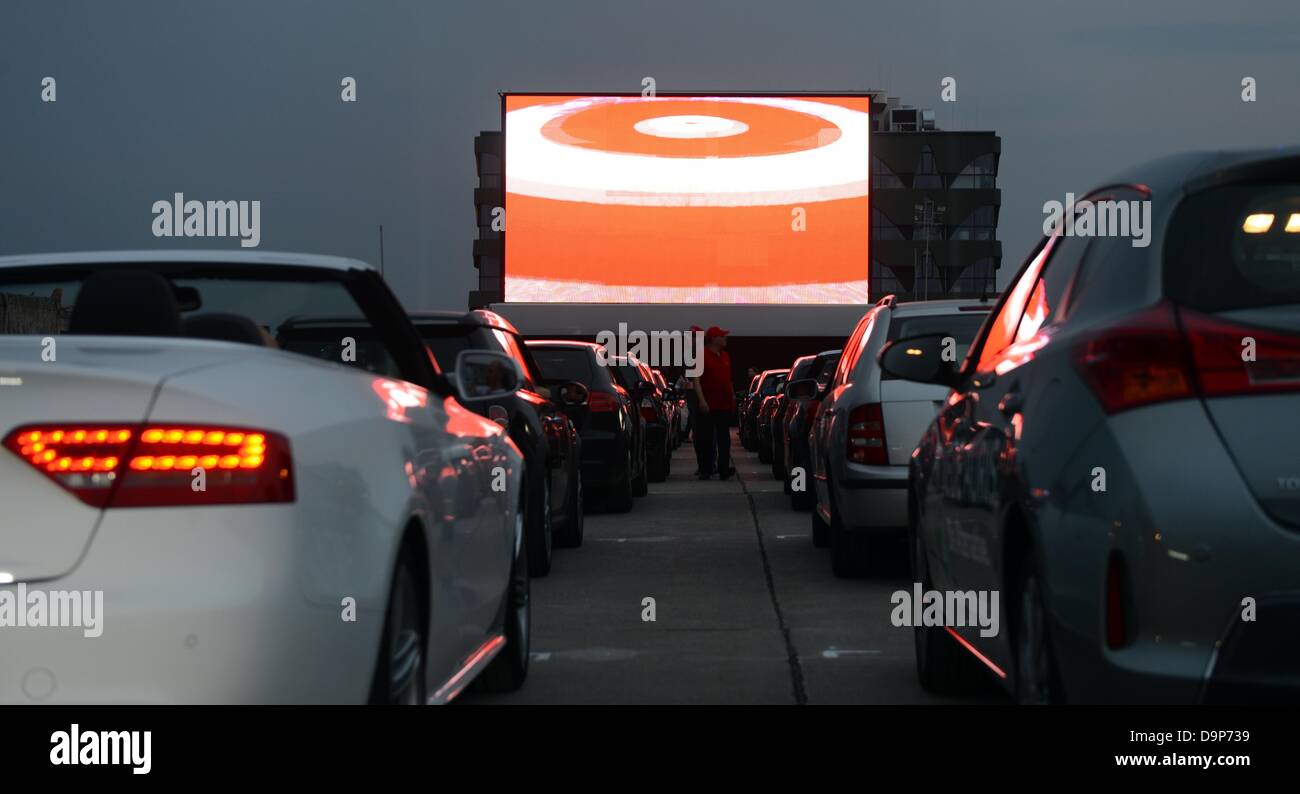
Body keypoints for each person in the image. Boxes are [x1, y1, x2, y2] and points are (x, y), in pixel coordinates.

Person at [693, 326, 736, 480]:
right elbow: (696, 381)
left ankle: (723, 468)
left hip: (724, 405)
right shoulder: (701, 355)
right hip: (708, 405)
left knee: (724, 439)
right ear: (713, 339)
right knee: (706, 438)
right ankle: (706, 469)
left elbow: (728, 380)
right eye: (722, 336)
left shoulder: (725, 356)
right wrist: (702, 401)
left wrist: (732, 397)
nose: (725, 338)